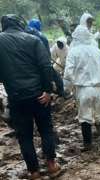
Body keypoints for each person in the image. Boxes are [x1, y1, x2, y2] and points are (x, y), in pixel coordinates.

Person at [0, 14, 61, 180]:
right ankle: (52, 166)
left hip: (16, 98)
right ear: (21, 24)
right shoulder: (33, 39)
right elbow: (46, 66)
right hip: (39, 96)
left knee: (24, 136)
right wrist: (48, 91)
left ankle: (33, 172)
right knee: (46, 129)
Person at [64, 25, 100, 151]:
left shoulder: (73, 52)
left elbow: (68, 73)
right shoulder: (98, 52)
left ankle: (88, 144)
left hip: (83, 88)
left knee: (85, 116)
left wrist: (72, 86)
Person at [26, 19, 65, 97]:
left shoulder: (23, 35)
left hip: (28, 64)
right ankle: (61, 92)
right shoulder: (41, 37)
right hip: (41, 62)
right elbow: (47, 54)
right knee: (55, 77)